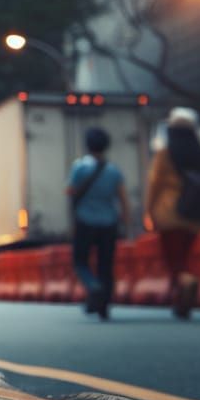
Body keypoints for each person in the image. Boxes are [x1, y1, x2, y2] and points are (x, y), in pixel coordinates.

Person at [146, 108, 200, 319]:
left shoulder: (165, 153)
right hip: (195, 216)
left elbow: (154, 184)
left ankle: (186, 282)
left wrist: (149, 210)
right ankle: (180, 301)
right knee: (187, 255)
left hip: (169, 214)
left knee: (173, 260)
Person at [66, 127, 129, 320]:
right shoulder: (113, 170)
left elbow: (70, 191)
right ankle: (104, 305)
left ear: (87, 145)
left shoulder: (80, 167)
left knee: (80, 260)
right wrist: (126, 221)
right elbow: (122, 198)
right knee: (106, 264)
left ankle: (93, 287)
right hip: (109, 223)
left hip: (85, 221)